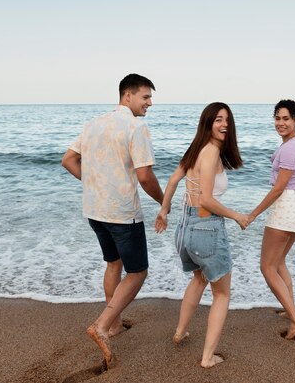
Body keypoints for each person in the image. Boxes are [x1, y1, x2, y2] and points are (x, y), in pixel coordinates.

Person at [61, 73, 164, 366]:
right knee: (138, 272)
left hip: (94, 210)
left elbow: (68, 160)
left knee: (113, 264)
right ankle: (103, 326)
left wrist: (93, 184)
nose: (150, 103)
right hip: (122, 213)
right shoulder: (136, 127)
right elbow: (144, 175)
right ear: (127, 96)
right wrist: (163, 202)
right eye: (145, 97)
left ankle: (116, 324)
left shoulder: (93, 124)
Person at [155, 102, 249, 368]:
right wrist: (237, 216)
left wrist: (164, 211)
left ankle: (180, 331)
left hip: (185, 228)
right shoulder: (210, 153)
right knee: (222, 294)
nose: (224, 125)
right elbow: (207, 200)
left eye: (227, 121)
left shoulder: (195, 150)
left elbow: (173, 181)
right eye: (218, 119)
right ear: (207, 122)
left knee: (198, 279)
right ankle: (207, 358)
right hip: (207, 229)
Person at [247, 99, 295, 340]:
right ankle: (290, 309)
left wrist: (252, 215)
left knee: (267, 267)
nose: (280, 123)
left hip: (286, 209)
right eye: (277, 118)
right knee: (280, 262)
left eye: (286, 118)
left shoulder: (289, 148)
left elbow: (278, 189)